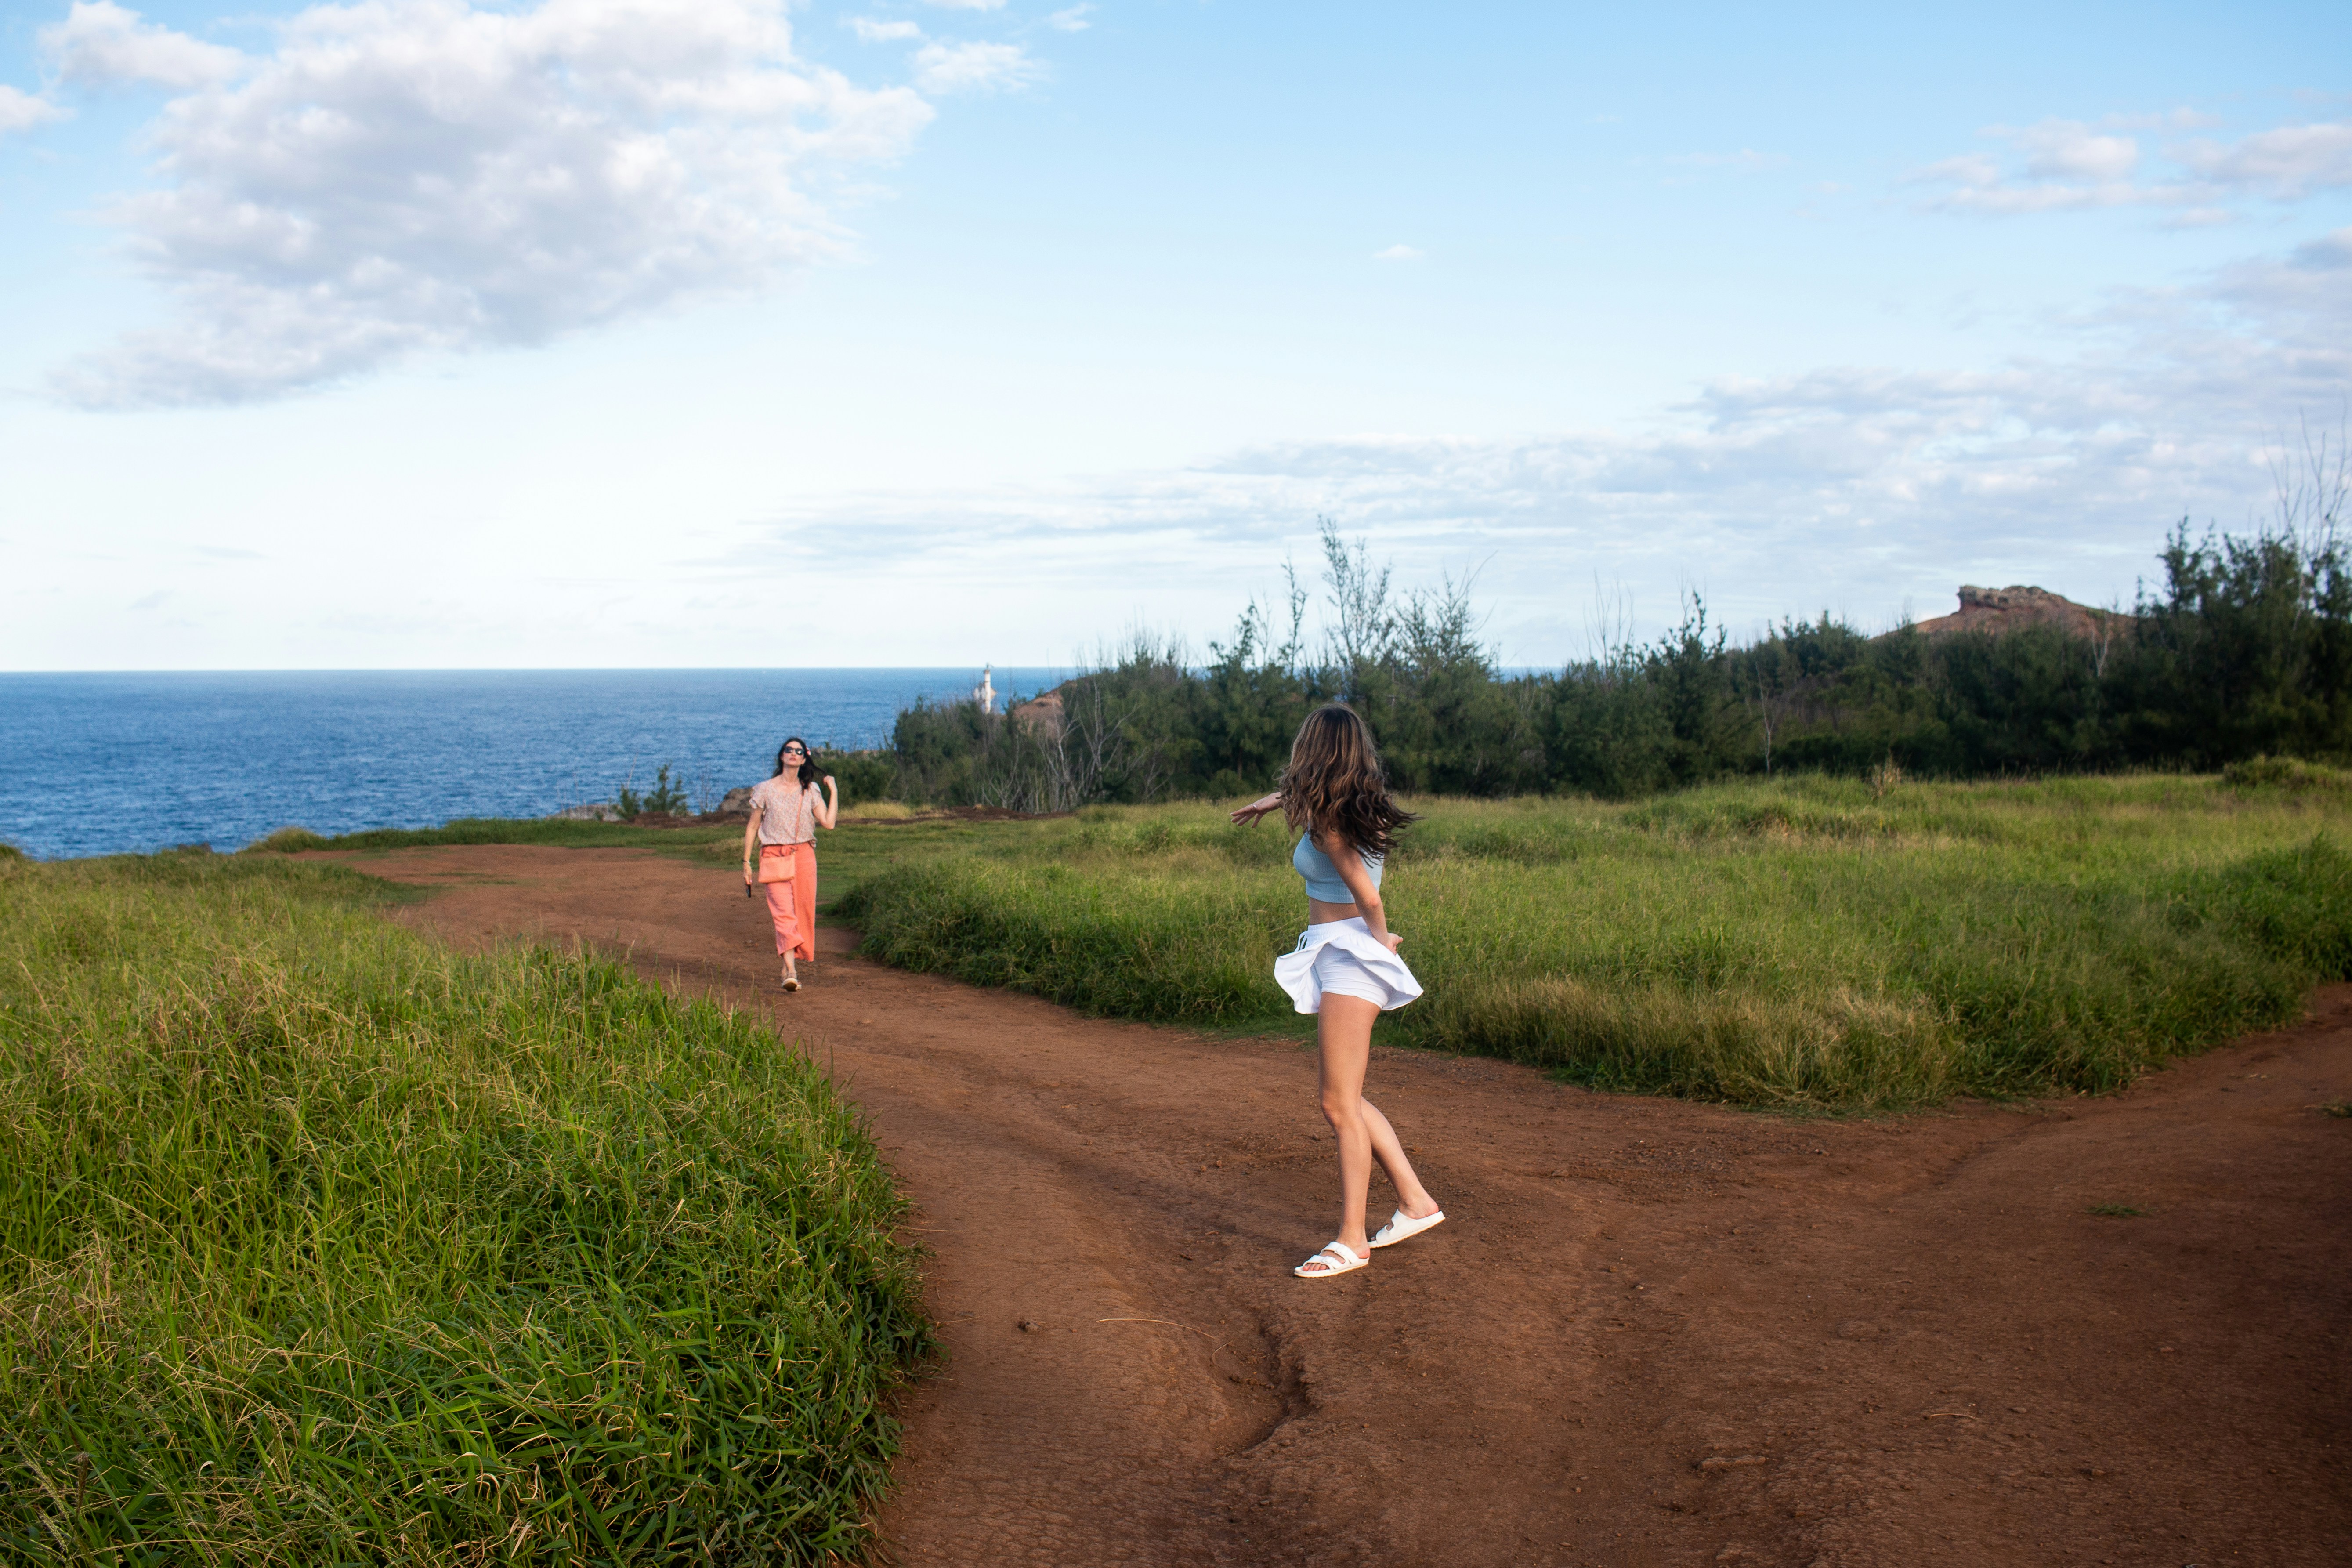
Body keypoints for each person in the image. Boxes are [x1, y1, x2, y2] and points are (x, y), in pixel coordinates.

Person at [1232, 704, 1444, 1278]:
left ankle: (1351, 1240)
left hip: (1352, 955)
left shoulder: (1329, 827)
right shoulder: (1350, 804)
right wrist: (1269, 801)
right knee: (1346, 1097)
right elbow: (1303, 797)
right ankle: (1415, 1201)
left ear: (1314, 753)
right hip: (1339, 951)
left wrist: (1381, 946)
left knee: (1336, 1104)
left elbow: (1368, 898)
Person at [742, 738, 838, 991]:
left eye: (799, 751)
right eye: (789, 750)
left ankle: (787, 966)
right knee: (783, 914)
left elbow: (829, 823)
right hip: (773, 857)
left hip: (805, 856)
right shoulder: (765, 789)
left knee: (803, 915)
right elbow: (753, 827)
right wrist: (746, 861)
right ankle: (792, 971)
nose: (793, 754)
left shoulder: (811, 790)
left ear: (804, 759)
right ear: (782, 756)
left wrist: (834, 792)